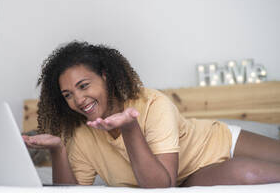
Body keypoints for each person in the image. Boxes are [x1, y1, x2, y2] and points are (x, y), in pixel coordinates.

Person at [23, 41, 280, 188]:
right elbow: (161, 187)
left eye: (84, 86)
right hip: (183, 176)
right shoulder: (81, 134)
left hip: (215, 142)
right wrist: (58, 150)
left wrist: (129, 125)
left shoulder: (153, 102)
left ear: (105, 76)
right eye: (67, 94)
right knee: (252, 176)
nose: (78, 100)